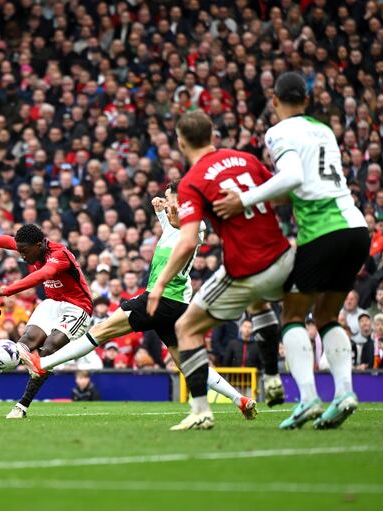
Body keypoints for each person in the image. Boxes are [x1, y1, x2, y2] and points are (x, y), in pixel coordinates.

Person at [19, 183, 259, 420]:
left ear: (180, 198)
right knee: (187, 362)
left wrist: (169, 210)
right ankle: (241, 399)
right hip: (175, 303)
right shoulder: (178, 225)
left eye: (168, 197)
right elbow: (171, 229)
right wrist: (160, 211)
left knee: (101, 331)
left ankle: (44, 363)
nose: (165, 201)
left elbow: (183, 227)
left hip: (161, 297)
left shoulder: (194, 223)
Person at [213, 71, 370, 430]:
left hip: (323, 231)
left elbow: (293, 177)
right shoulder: (324, 130)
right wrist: (271, 199)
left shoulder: (279, 131)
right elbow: (303, 184)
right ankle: (344, 392)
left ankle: (309, 400)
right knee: (328, 316)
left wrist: (245, 199)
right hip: (356, 227)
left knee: (293, 316)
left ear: (274, 100)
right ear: (307, 100)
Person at [147, 111, 294, 430]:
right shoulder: (247, 160)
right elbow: (285, 194)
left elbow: (187, 240)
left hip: (244, 265)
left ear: (181, 141)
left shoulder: (192, 181)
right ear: (212, 134)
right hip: (283, 255)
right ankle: (273, 375)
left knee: (186, 328)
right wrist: (248, 198)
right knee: (270, 307)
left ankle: (201, 411)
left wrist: (158, 285)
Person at [0, 223, 93, 419]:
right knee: (26, 342)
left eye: (24, 251)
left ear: (39, 245)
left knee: (48, 350)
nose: (21, 255)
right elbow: (7, 240)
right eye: (19, 250)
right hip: (52, 304)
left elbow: (42, 275)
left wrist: (7, 290)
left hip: (77, 307)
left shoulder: (60, 255)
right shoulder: (31, 246)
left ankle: (22, 406)